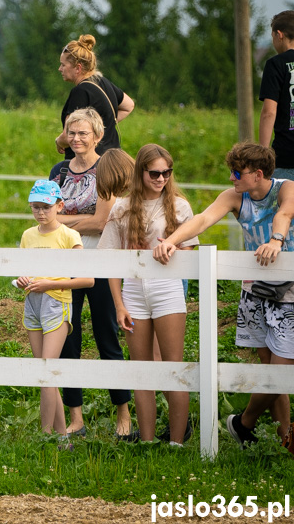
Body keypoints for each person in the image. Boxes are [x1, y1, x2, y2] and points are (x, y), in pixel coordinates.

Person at [153, 143, 294, 446]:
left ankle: (243, 422)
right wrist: (172, 240)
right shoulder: (235, 196)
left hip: (293, 293)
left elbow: (285, 213)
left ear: (258, 174)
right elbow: (203, 220)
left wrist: (276, 240)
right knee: (269, 370)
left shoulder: (289, 188)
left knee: (280, 371)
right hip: (256, 291)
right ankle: (285, 439)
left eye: (237, 172)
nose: (232, 178)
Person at [99, 145, 197, 446]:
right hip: (132, 291)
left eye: (167, 172)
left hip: (167, 288)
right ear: (141, 172)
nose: (161, 178)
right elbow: (110, 259)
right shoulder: (122, 207)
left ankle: (178, 444)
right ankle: (148, 443)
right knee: (141, 370)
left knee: (172, 367)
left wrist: (174, 249)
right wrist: (118, 304)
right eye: (154, 173)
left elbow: (190, 250)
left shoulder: (180, 206)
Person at [49, 108, 133, 438]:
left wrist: (64, 221)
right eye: (72, 133)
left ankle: (123, 416)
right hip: (65, 260)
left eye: (84, 133)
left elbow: (102, 223)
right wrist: (64, 222)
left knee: (106, 334)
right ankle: (76, 418)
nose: (77, 139)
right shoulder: (58, 171)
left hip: (100, 259)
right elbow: (45, 217)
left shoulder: (105, 169)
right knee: (68, 335)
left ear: (98, 136)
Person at [16, 180, 93, 445]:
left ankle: (46, 435)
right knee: (44, 375)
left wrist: (51, 283)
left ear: (59, 206)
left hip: (57, 302)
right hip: (32, 302)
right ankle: (62, 439)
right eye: (36, 207)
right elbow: (20, 272)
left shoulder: (69, 236)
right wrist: (22, 280)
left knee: (47, 373)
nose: (40, 212)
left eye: (46, 207)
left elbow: (87, 280)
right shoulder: (28, 236)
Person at [55, 34, 135, 159]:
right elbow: (129, 105)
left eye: (63, 65)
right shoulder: (103, 82)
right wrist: (101, 128)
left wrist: (58, 141)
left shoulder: (80, 91)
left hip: (88, 166)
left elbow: (67, 136)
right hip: (113, 160)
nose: (60, 69)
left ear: (78, 68)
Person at [258, 10, 294, 182]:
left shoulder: (276, 64)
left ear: (279, 35)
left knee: (283, 209)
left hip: (287, 160)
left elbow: (269, 112)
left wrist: (262, 154)